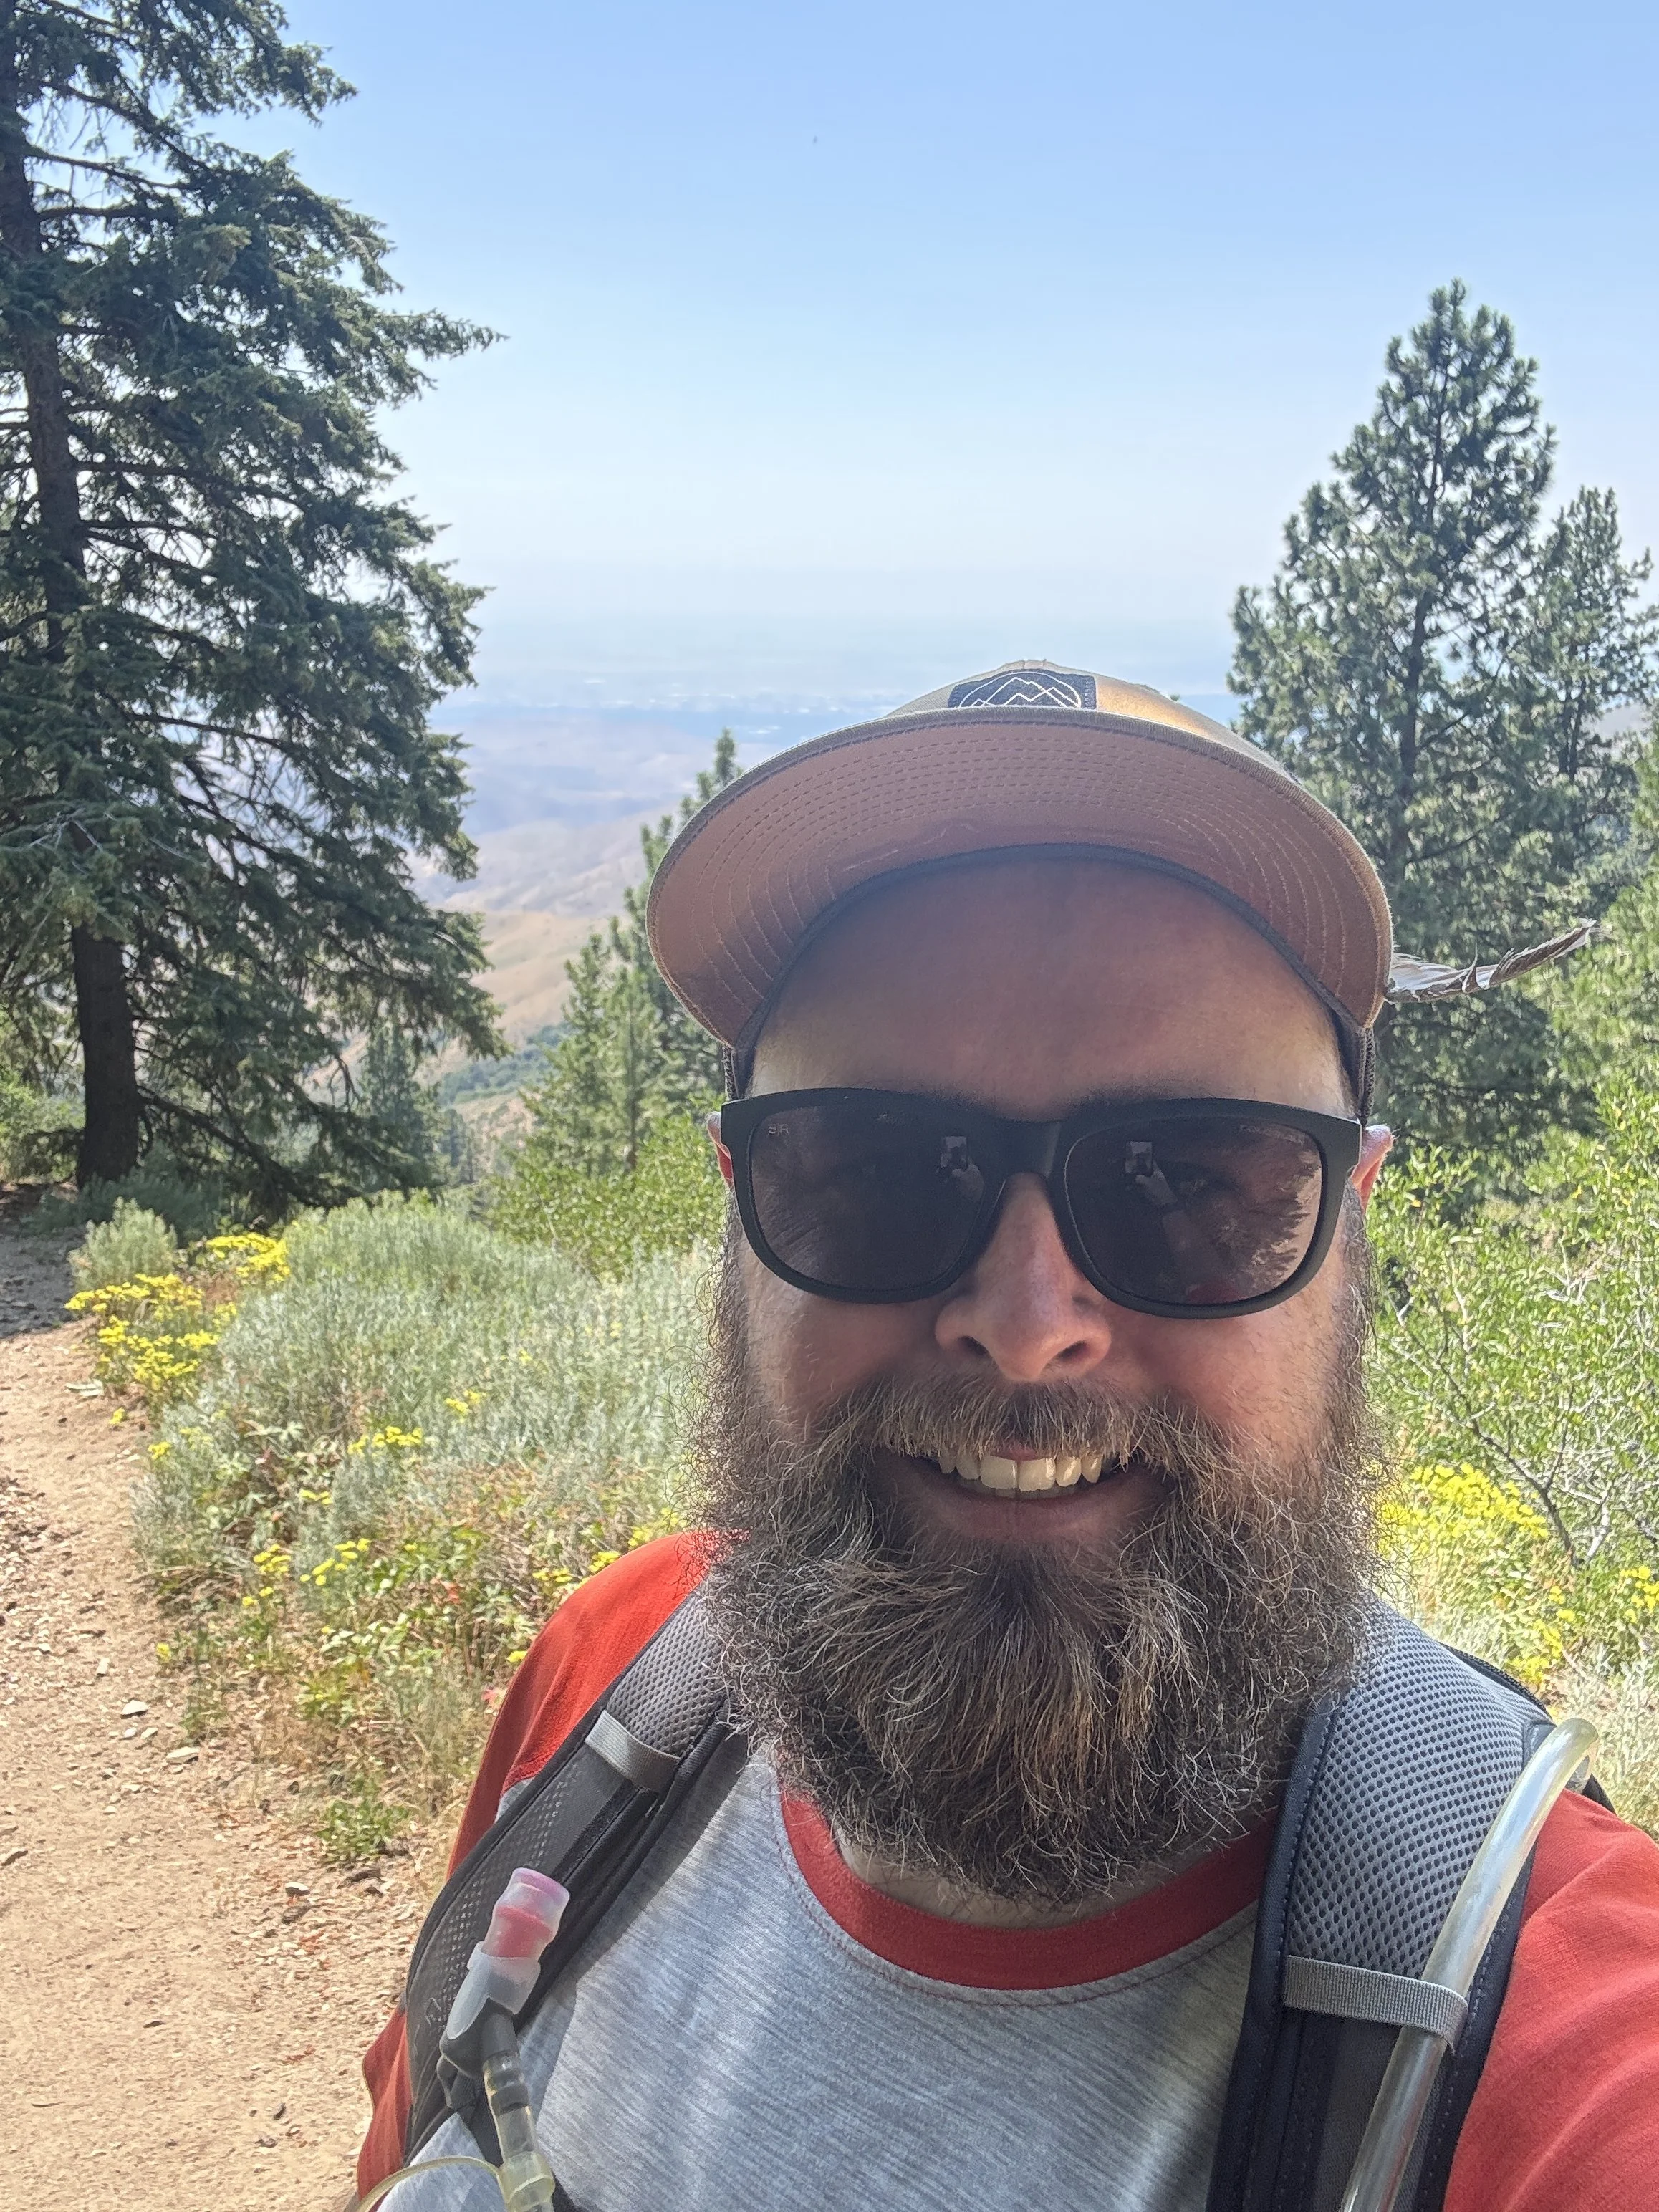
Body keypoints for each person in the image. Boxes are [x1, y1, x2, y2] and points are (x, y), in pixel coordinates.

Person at [357, 665, 1659, 2211]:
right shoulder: (614, 1678)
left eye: (1191, 1179)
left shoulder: (1554, 2033)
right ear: (736, 1210)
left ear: (1349, 1227)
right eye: (877, 1167)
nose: (1030, 1317)